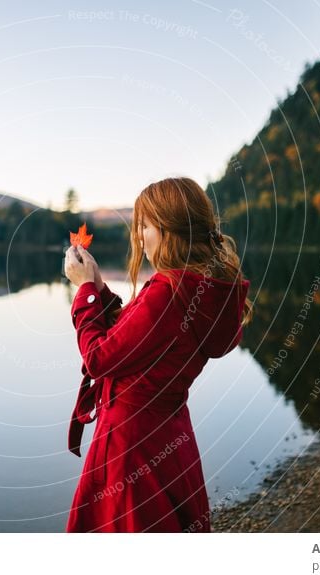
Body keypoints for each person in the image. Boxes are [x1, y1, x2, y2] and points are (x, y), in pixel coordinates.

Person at [62, 176, 254, 533]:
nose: (139, 236)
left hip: (130, 448)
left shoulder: (168, 291)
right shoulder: (200, 289)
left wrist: (85, 292)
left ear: (170, 229)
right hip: (168, 437)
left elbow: (100, 359)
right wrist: (101, 289)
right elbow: (137, 336)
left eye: (145, 226)